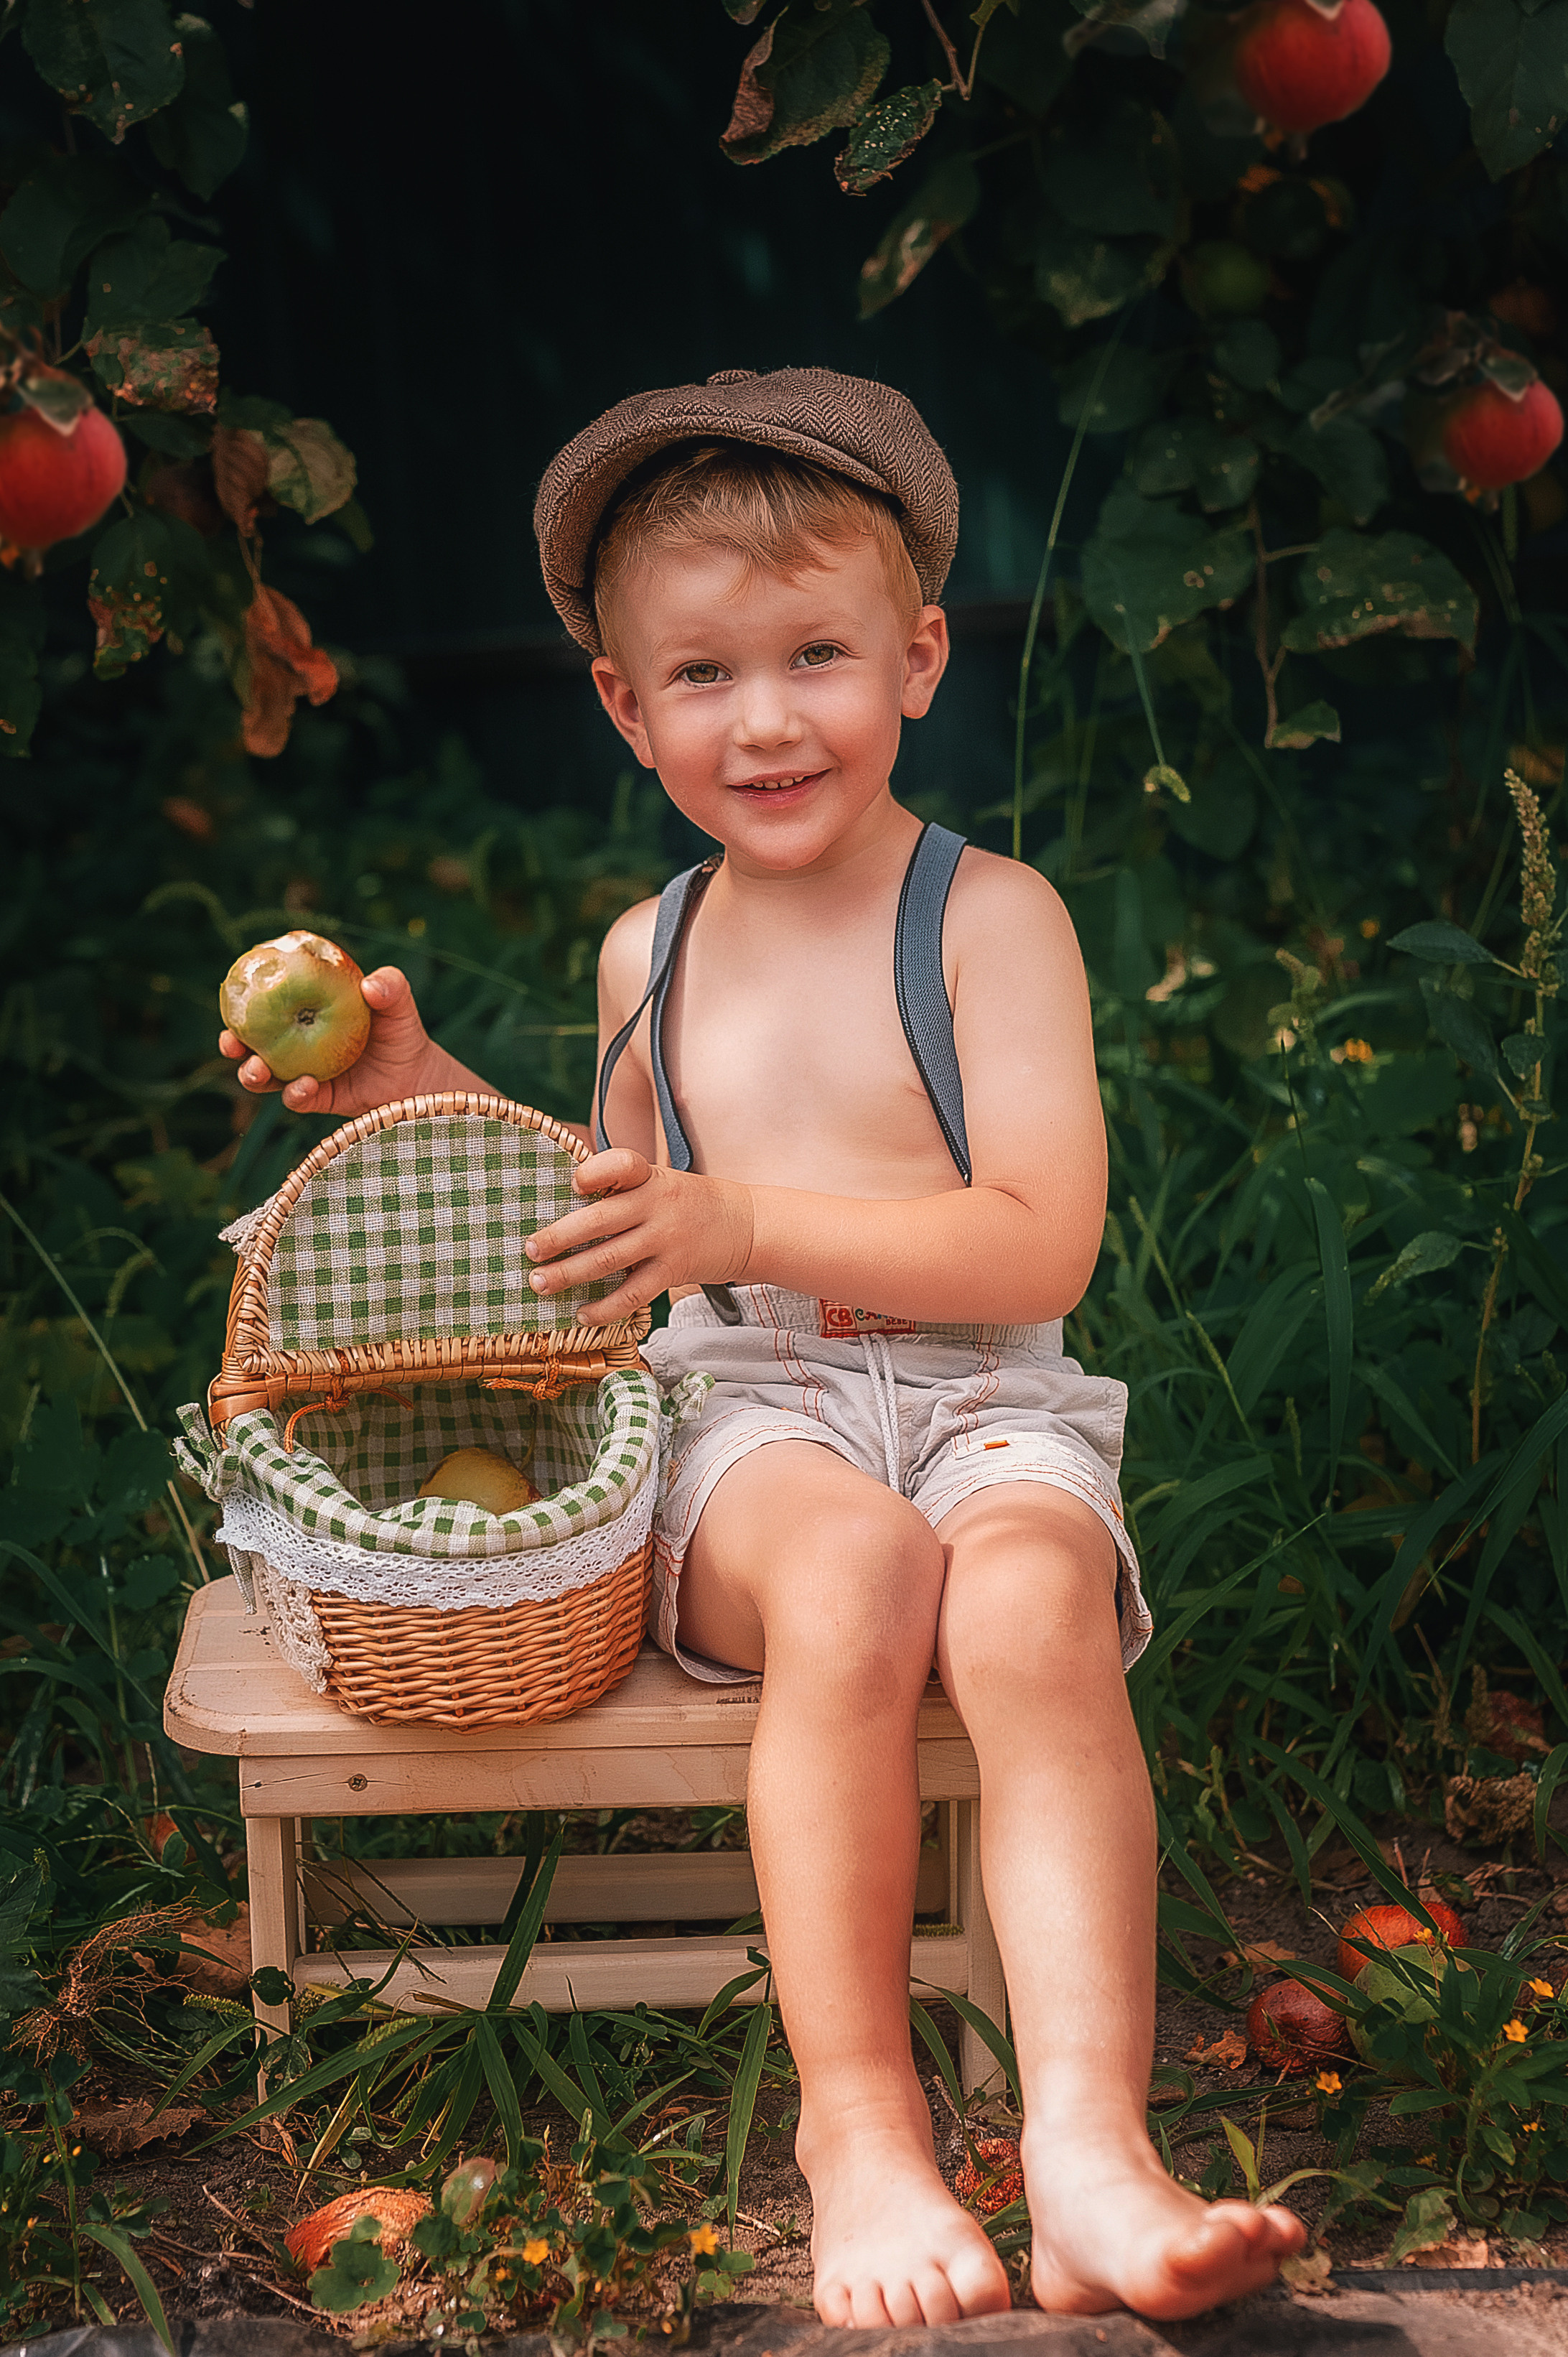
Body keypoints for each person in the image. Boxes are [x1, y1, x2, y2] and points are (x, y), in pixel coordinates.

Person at [220, 367, 1305, 2327]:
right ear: (627, 708)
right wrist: (422, 1084)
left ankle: (1084, 2146)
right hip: (755, 1425)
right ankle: (862, 2121)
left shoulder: (994, 920)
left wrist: (738, 1224)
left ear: (919, 658)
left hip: (992, 1392)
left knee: (1037, 1599)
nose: (770, 714)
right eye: (704, 673)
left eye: (818, 653)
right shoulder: (656, 946)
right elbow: (628, 1231)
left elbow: (1037, 1236)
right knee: (863, 1565)